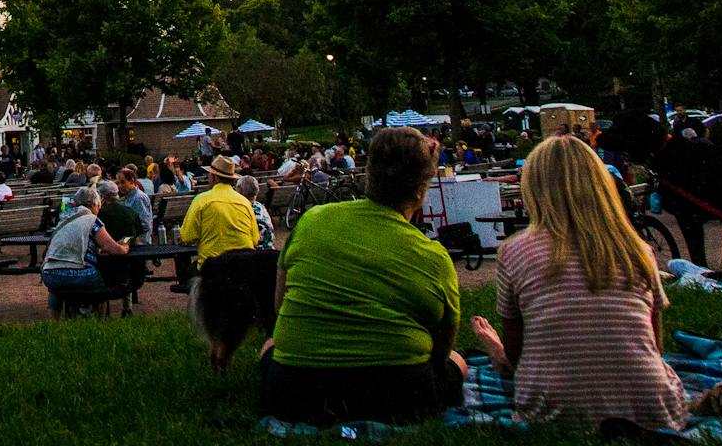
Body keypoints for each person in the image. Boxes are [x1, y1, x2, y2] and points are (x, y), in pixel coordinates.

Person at [468, 135, 687, 430]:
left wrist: (498, 351)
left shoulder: (514, 252)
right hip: (649, 410)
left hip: (553, 413)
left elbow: (518, 356)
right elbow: (654, 346)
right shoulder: (637, 250)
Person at [260, 126, 464, 426]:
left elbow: (280, 307)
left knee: (269, 346)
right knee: (458, 361)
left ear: (370, 174)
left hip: (296, 391)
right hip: (397, 395)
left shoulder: (312, 221)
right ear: (422, 188)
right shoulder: (432, 256)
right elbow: (442, 347)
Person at [180, 155, 264, 370]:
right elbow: (255, 239)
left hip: (214, 270)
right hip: (246, 271)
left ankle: (217, 354)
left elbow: (187, 236)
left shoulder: (202, 200)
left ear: (213, 177)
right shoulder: (244, 202)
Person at [41, 186, 129, 313]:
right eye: (99, 206)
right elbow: (110, 247)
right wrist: (124, 247)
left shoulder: (64, 219)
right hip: (79, 276)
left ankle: (55, 320)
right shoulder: (92, 220)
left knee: (56, 287)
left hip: (50, 274)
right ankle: (99, 319)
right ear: (94, 204)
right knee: (101, 282)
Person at [237, 175, 277, 249]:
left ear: (239, 190)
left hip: (256, 253)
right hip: (269, 250)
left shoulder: (243, 210)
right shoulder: (260, 207)